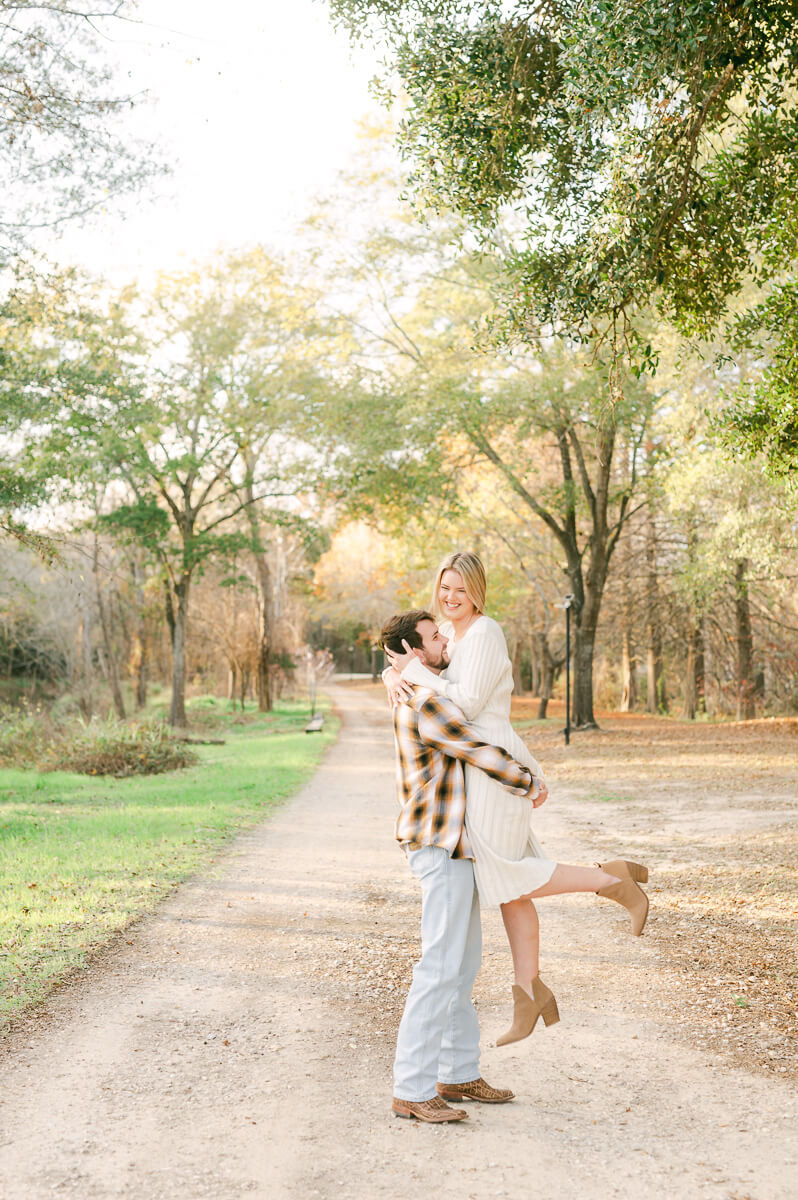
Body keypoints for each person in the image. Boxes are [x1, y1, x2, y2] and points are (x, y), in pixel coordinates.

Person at [383, 551, 650, 1047]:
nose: (450, 598)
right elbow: (411, 661)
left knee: (503, 871)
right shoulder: (446, 632)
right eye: (445, 587)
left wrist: (413, 676)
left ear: (477, 591)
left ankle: (611, 881)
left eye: (460, 590)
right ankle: (530, 991)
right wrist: (396, 674)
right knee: (510, 880)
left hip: (494, 761)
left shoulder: (485, 632)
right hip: (479, 765)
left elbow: (463, 704)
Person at [381, 608, 547, 1124]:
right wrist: (526, 779)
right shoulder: (421, 697)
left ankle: (457, 1072)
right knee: (439, 967)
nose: (443, 643)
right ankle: (411, 1086)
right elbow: (471, 745)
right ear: (413, 651)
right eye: (433, 638)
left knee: (463, 963)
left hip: (456, 846)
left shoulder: (421, 685)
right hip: (438, 843)